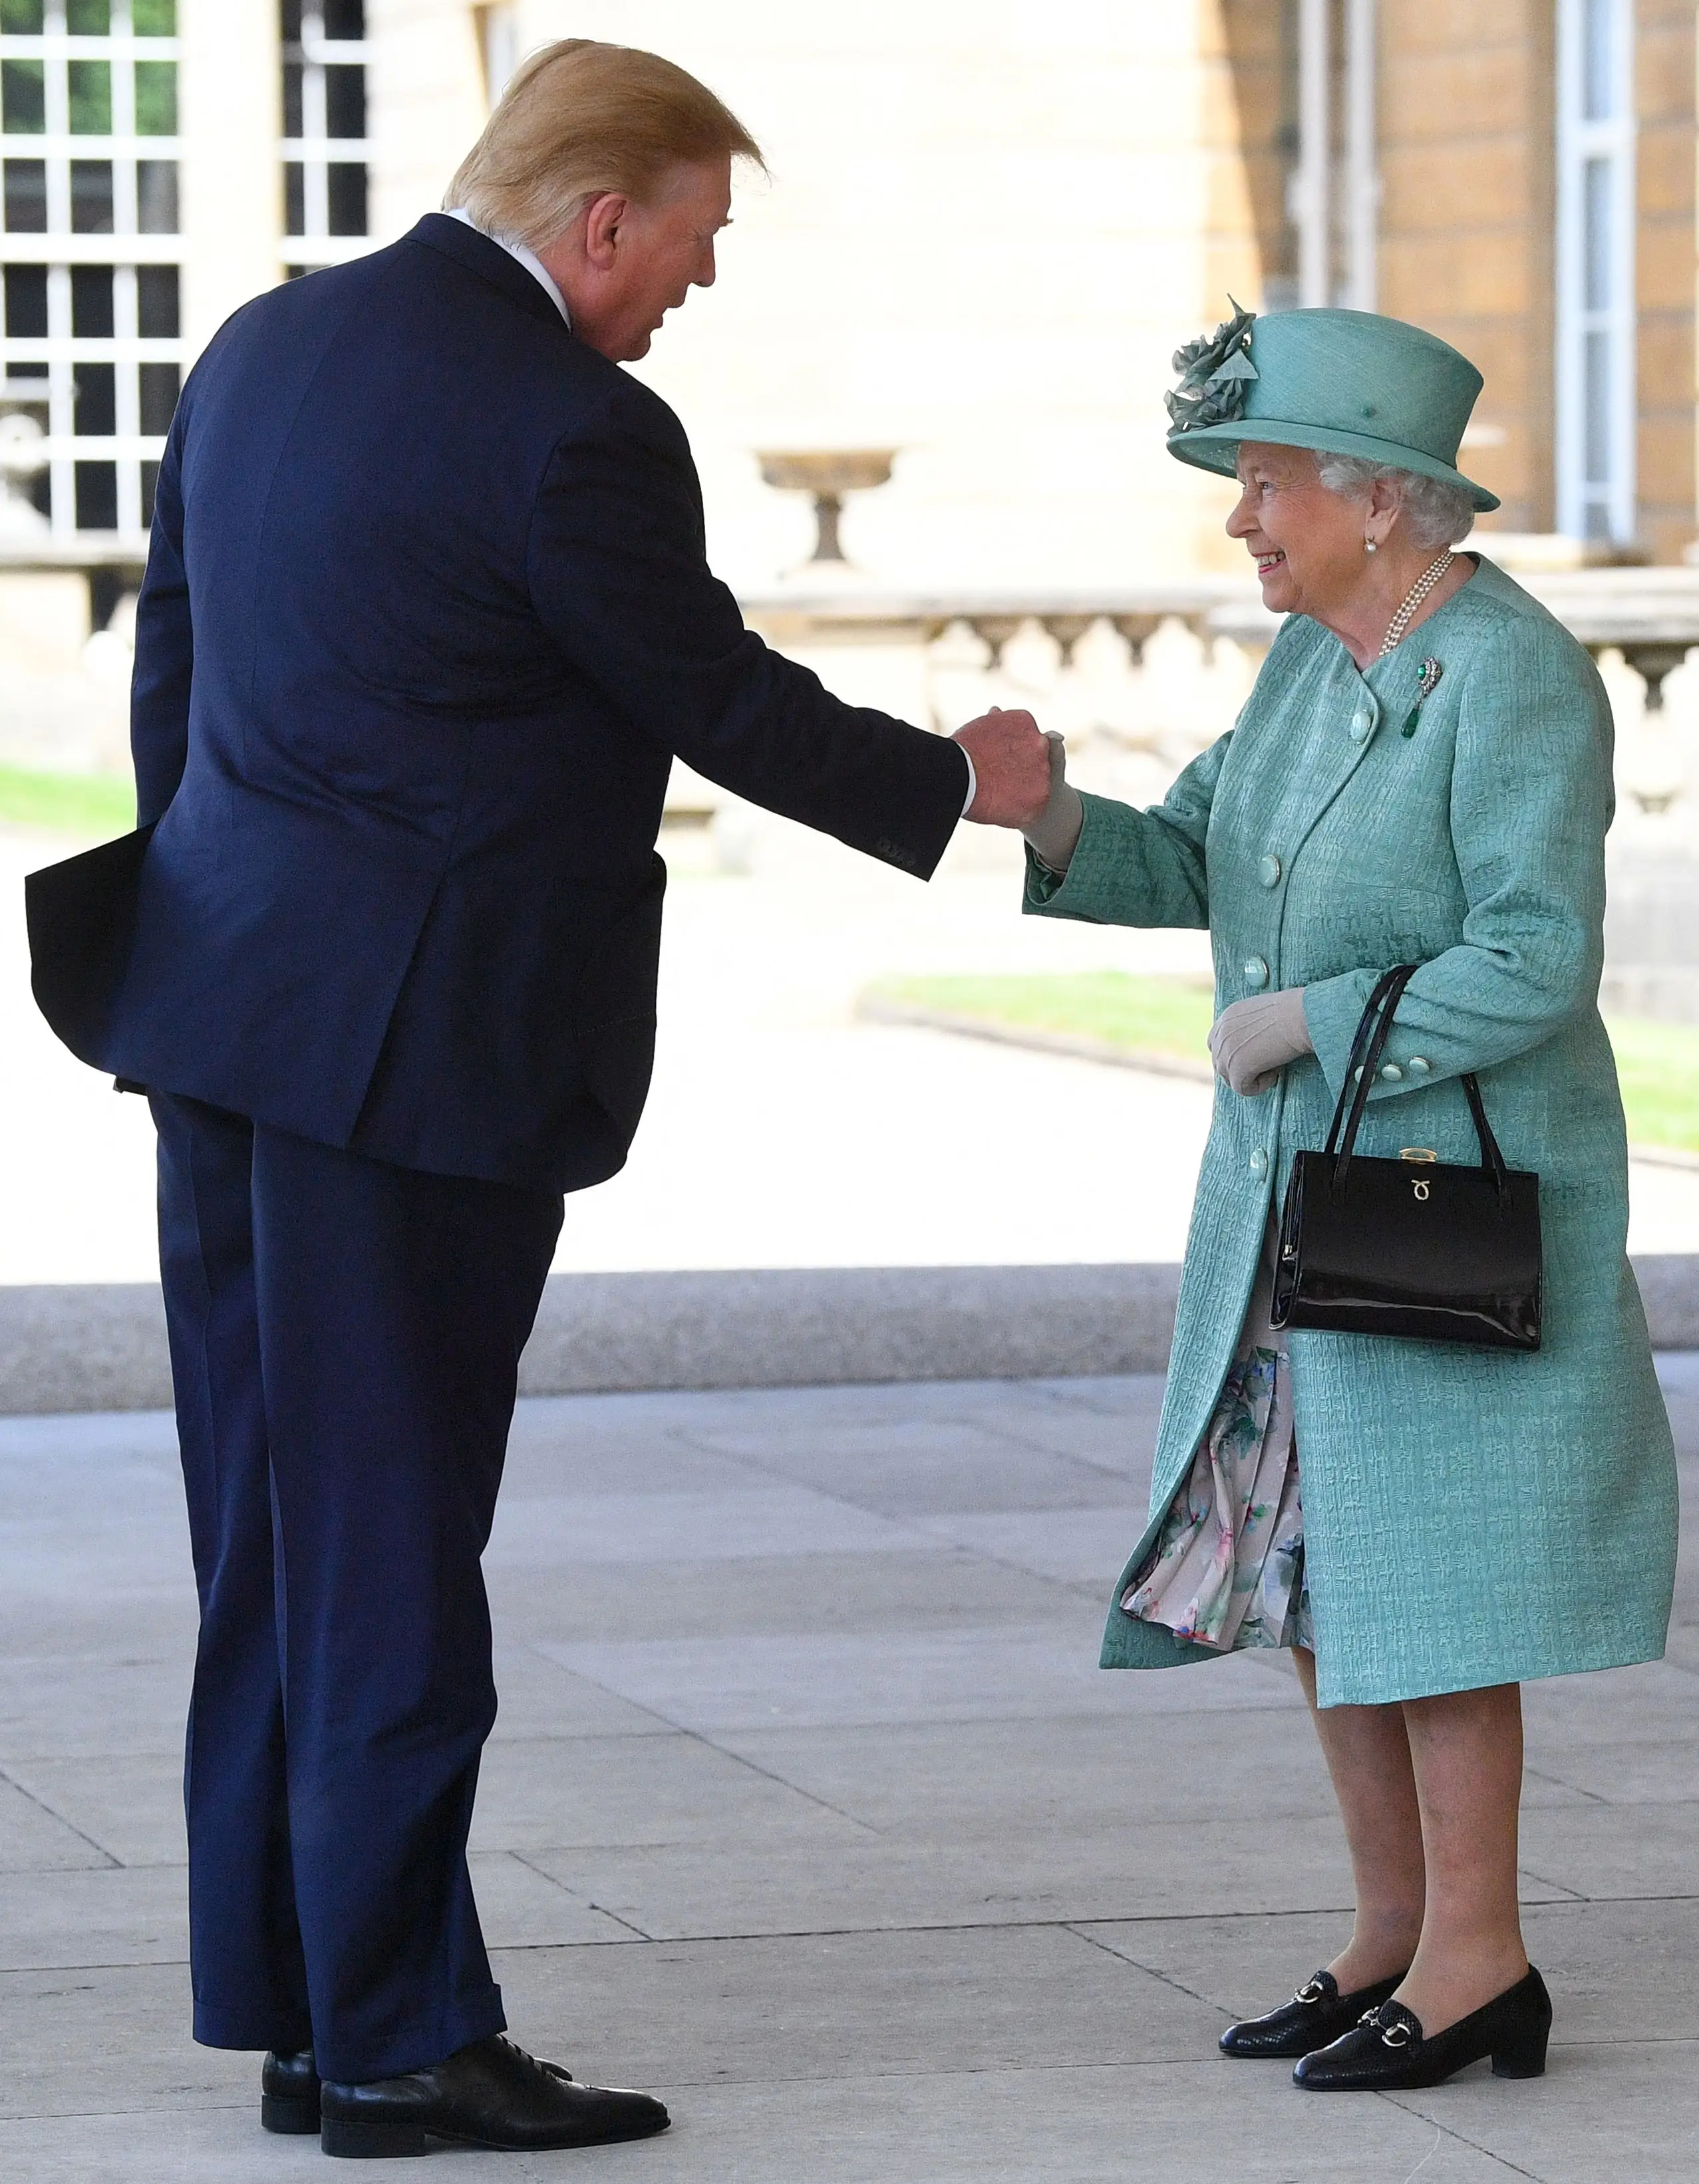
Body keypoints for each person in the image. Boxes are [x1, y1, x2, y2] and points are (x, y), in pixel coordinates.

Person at [25, 39, 1050, 2161]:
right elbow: (713, 695)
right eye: (692, 243)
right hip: (413, 1068)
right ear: (601, 216)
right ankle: (402, 2036)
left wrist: (233, 936)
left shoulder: (262, 349)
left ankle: (309, 2002)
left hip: (221, 1028)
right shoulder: (574, 425)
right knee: (396, 1544)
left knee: (278, 1543)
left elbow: (174, 692)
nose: (693, 286)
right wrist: (966, 784)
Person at [1020, 305, 1677, 2093]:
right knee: (1325, 1571)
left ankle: (1484, 1957)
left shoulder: (1516, 676)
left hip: (1446, 1204)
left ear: (1380, 500)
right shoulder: (1309, 666)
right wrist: (1055, 817)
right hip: (1305, 1204)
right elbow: (1196, 853)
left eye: (1262, 486)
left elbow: (1537, 958)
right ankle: (1393, 1934)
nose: (1240, 523)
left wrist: (1313, 1025)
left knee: (1445, 1584)